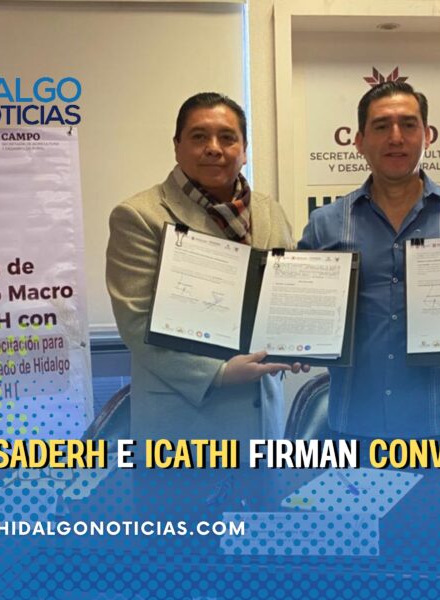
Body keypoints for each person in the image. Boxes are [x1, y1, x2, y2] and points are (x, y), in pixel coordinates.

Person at [105, 92, 302, 518]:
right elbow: (136, 322)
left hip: (262, 432)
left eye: (227, 137)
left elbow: (283, 297)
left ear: (244, 150)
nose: (214, 148)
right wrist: (218, 373)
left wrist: (300, 343)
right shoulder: (139, 216)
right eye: (199, 136)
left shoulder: (269, 211)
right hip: (183, 432)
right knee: (181, 553)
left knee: (257, 551)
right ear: (177, 145)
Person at [298, 80, 440, 440]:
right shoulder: (325, 225)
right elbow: (299, 313)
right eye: (381, 126)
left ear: (427, 136)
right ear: (359, 141)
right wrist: (291, 344)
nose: (395, 137)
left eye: (408, 125)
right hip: (352, 431)